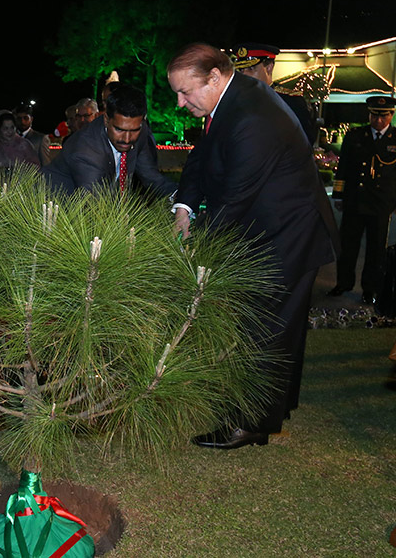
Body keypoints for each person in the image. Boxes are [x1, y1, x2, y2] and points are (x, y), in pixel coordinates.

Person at [168, 42, 338, 449]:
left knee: (265, 328)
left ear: (214, 77)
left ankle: (250, 423)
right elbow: (201, 159)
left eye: (186, 92)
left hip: (287, 234)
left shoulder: (251, 117)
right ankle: (269, 410)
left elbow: (232, 199)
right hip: (269, 226)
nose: (179, 102)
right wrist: (183, 208)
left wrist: (195, 250)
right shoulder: (227, 101)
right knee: (271, 326)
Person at [42, 83, 177, 198]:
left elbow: (152, 179)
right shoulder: (86, 150)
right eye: (119, 129)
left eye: (134, 130)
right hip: (54, 210)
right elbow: (94, 207)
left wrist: (183, 201)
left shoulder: (141, 131)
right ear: (106, 120)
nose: (127, 139)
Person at [327, 95, 396, 304]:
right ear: (369, 115)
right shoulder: (356, 135)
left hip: (381, 203)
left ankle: (370, 288)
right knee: (348, 246)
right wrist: (338, 195)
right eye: (375, 116)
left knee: (376, 249)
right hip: (355, 201)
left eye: (383, 116)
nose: (378, 120)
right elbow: (343, 168)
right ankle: (343, 283)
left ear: (391, 115)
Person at [229, 42, 318, 144]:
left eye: (251, 69)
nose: (244, 74)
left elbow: (305, 142)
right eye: (241, 70)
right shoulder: (235, 101)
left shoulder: (289, 101)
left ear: (269, 68)